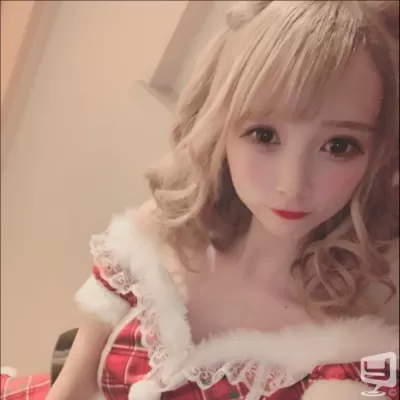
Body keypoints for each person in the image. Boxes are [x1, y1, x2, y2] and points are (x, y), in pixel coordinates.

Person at [34, 1, 400, 399]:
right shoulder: (159, 233)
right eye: (264, 135)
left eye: (339, 145)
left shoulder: (356, 342)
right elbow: (72, 386)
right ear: (220, 127)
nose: (292, 185)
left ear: (377, 155)